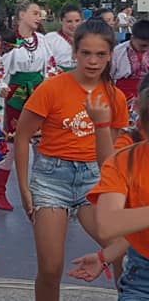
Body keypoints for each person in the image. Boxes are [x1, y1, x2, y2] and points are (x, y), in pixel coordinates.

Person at [14, 19, 127, 301]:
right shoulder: (52, 89)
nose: (93, 61)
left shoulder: (115, 97)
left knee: (122, 251)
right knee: (51, 268)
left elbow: (112, 155)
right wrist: (25, 189)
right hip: (52, 178)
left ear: (110, 55)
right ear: (75, 52)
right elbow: (22, 136)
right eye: (86, 53)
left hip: (94, 179)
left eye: (100, 54)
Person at [84, 83, 149, 299]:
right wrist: (102, 127)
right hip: (142, 275)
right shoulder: (127, 158)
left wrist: (106, 255)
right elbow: (109, 224)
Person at [0, 0, 56, 213]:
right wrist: (1, 86)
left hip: (38, 93)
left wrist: (48, 83)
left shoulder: (42, 40)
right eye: (35, 13)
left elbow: (51, 66)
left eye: (40, 14)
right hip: (17, 95)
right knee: (12, 144)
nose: (39, 17)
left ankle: (42, 192)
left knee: (41, 143)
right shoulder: (10, 41)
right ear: (21, 15)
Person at [110, 19, 149, 123]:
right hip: (122, 95)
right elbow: (109, 76)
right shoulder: (118, 51)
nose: (146, 49)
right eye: (143, 45)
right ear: (132, 38)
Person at [44, 4, 83, 73]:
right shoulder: (51, 39)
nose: (74, 25)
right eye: (69, 21)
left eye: (77, 21)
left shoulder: (86, 39)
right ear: (61, 21)